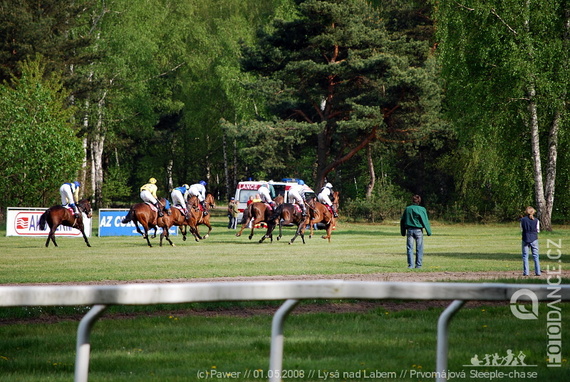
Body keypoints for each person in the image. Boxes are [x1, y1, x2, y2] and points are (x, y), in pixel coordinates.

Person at [400, 194, 432, 269]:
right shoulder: (422, 209)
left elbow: (402, 220)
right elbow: (425, 221)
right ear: (419, 201)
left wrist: (403, 232)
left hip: (410, 230)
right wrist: (428, 231)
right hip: (418, 231)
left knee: (409, 248)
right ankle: (418, 265)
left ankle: (410, 265)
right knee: (419, 248)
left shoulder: (407, 209)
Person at [520, 206, 541, 276]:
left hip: (525, 238)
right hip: (534, 238)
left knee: (525, 256)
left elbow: (521, 230)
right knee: (535, 256)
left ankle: (526, 272)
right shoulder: (536, 220)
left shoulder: (522, 220)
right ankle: (538, 272)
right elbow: (537, 230)